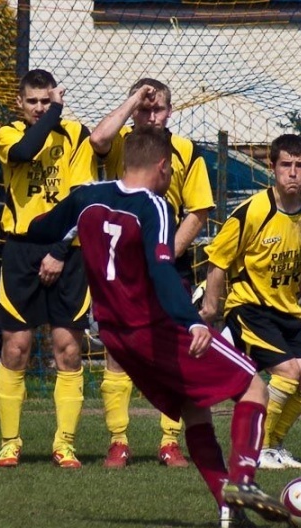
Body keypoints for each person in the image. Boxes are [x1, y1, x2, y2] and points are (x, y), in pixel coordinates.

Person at [27, 127, 290, 528]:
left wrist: (56, 223)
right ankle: (244, 481)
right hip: (156, 327)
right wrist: (190, 320)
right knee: (252, 384)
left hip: (116, 336)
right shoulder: (155, 205)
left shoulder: (86, 197)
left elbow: (39, 229)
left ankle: (229, 508)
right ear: (163, 166)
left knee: (193, 407)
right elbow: (162, 268)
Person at [87, 78, 215, 468]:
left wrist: (162, 255)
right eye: (144, 108)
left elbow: (199, 210)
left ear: (170, 112)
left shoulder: (186, 152)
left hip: (165, 266)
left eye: (157, 108)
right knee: (116, 352)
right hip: (119, 268)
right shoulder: (121, 145)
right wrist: (131, 103)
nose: (150, 115)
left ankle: (169, 442)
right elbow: (96, 141)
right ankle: (118, 441)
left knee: (174, 352)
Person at [200, 134, 301, 471]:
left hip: (287, 309)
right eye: (286, 165)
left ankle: (274, 446)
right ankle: (255, 449)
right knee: (288, 373)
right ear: (272, 168)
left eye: (300, 166)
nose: (293, 172)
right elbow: (218, 260)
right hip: (249, 307)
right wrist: (210, 309)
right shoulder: (253, 211)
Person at [0, 69, 96, 468]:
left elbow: (82, 200)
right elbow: (24, 153)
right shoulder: (7, 134)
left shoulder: (75, 135)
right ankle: (9, 443)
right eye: (32, 101)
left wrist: (60, 248)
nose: (39, 108)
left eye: (45, 101)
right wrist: (55, 110)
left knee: (68, 349)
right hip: (21, 251)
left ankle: (64, 444)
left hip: (67, 250)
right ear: (20, 103)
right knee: (15, 347)